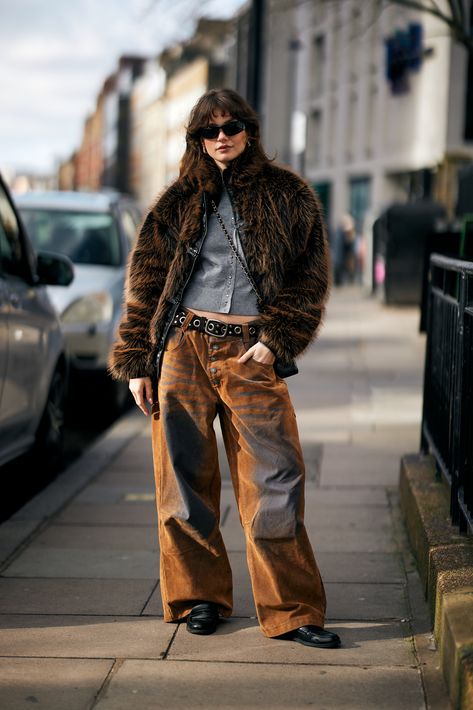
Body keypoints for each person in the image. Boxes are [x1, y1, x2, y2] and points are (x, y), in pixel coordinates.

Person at [109, 88, 340, 649]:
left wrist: (276, 340)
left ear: (249, 129)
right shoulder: (176, 201)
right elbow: (145, 285)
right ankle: (199, 599)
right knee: (183, 482)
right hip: (182, 346)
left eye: (231, 126)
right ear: (196, 139)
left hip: (248, 351)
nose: (221, 137)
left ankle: (291, 609)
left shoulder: (290, 195)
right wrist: (139, 360)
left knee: (275, 478)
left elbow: (310, 278)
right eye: (208, 131)